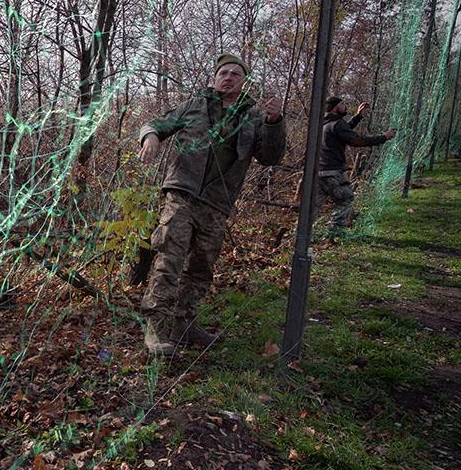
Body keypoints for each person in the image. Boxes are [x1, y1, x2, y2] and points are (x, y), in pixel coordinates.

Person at [137, 54, 285, 355]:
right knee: (169, 260)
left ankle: (184, 324)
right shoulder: (194, 106)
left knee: (201, 268)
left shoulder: (253, 117)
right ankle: (156, 328)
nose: (228, 77)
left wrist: (274, 123)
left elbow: (270, 157)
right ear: (215, 78)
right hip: (182, 195)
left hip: (217, 204)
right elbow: (156, 124)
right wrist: (150, 137)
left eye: (235, 74)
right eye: (223, 73)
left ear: (244, 82)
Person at [316, 97, 396, 233]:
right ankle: (334, 232)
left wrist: (358, 116)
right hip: (333, 172)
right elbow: (356, 140)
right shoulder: (337, 124)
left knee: (313, 205)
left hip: (319, 171)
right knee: (345, 198)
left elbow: (344, 131)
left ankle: (301, 233)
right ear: (335, 107)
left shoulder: (325, 123)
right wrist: (384, 137)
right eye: (342, 104)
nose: (345, 106)